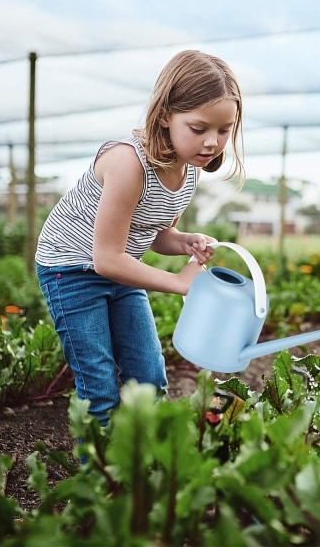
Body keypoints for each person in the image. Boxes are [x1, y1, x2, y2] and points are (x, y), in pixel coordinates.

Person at [35, 50, 245, 425]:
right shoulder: (127, 164)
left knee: (148, 379)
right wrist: (181, 283)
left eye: (223, 130)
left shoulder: (188, 171)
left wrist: (185, 241)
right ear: (165, 115)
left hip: (120, 270)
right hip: (71, 271)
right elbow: (106, 259)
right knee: (99, 390)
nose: (212, 142)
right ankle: (101, 479)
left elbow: (156, 235)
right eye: (199, 129)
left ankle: (143, 467)